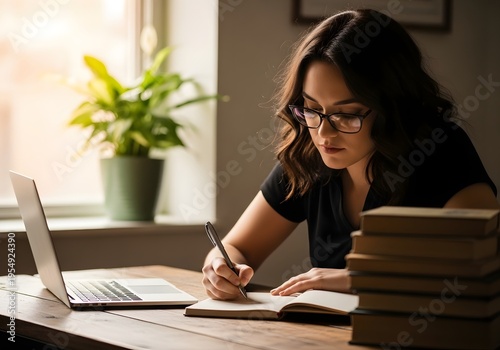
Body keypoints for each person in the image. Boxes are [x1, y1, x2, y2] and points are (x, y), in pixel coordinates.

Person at [202, 9, 500, 300]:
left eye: (347, 114)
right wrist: (220, 267)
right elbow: (237, 247)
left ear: (392, 109)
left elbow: (479, 263)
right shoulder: (308, 156)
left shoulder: (440, 149)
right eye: (311, 108)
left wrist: (360, 279)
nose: (323, 133)